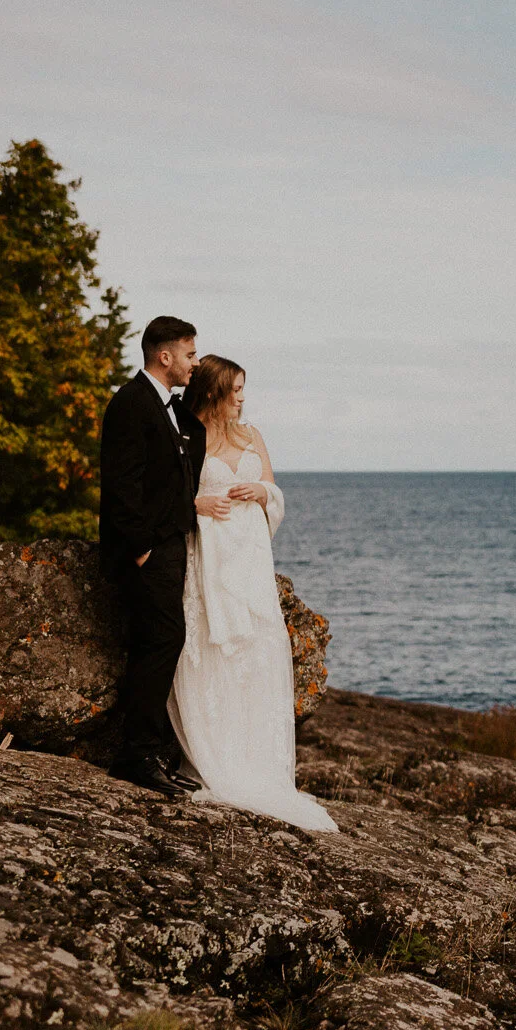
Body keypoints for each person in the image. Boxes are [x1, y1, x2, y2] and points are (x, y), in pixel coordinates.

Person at [166, 354, 337, 831]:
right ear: (216, 391)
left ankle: (259, 765)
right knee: (211, 651)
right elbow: (172, 495)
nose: (243, 398)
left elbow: (272, 491)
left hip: (250, 558)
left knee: (257, 652)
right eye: (236, 389)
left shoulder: (251, 435)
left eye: (244, 389)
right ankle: (214, 759)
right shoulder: (185, 434)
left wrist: (262, 495)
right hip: (207, 553)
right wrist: (199, 505)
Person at [97, 316, 213, 796]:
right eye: (189, 354)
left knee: (162, 640)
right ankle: (137, 754)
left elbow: (190, 448)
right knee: (162, 639)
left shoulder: (168, 406)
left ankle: (152, 751)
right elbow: (122, 483)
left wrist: (194, 386)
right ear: (164, 356)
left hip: (167, 542)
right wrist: (142, 549)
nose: (196, 362)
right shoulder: (130, 403)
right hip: (146, 549)